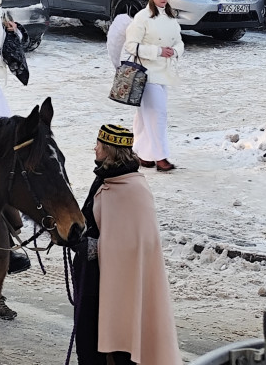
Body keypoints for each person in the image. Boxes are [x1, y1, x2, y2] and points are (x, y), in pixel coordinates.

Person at [71, 124, 181, 365]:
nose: (94, 148)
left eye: (98, 145)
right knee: (88, 346)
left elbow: (132, 245)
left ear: (108, 150)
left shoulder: (133, 189)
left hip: (118, 285)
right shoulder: (104, 179)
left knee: (121, 348)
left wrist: (90, 246)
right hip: (91, 279)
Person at [121, 0, 183, 172]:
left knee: (145, 115)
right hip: (147, 74)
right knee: (157, 114)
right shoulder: (142, 18)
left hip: (165, 72)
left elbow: (179, 41)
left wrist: (175, 51)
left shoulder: (171, 18)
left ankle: (142, 153)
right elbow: (131, 45)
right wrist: (157, 51)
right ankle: (160, 156)